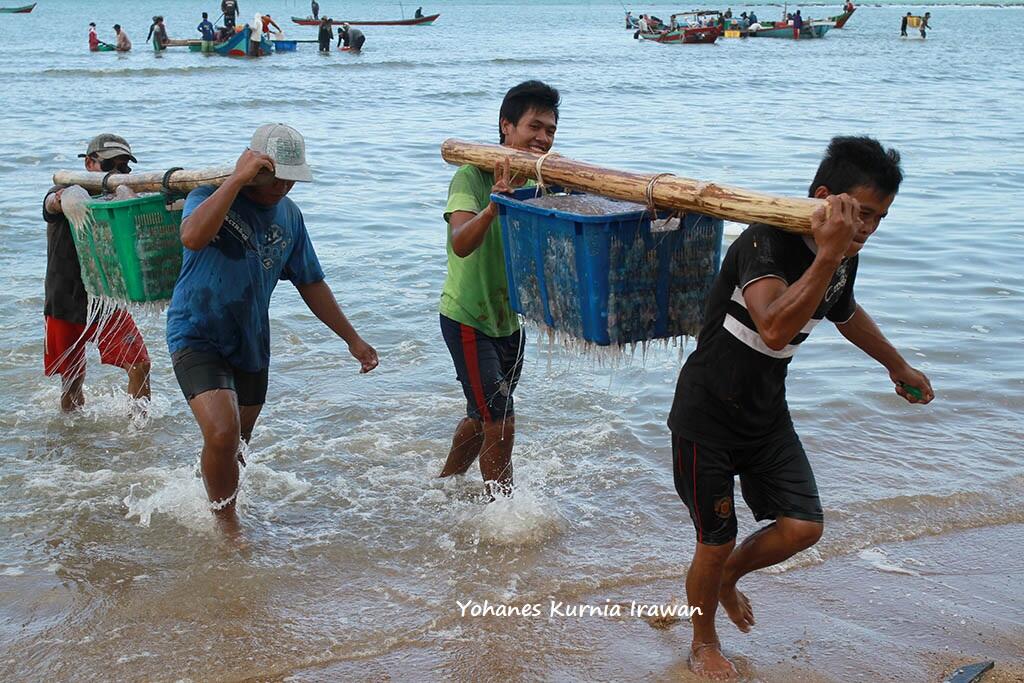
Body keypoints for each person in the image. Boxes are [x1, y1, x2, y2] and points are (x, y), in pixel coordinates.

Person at [668, 136, 933, 679]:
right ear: (823, 197)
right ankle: (702, 642)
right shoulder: (764, 242)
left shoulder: (841, 256)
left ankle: (725, 582)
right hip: (707, 415)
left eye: (879, 218)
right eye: (859, 213)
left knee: (803, 526)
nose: (866, 230)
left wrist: (896, 365)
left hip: (766, 414)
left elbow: (844, 310)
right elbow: (773, 326)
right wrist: (830, 251)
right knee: (714, 540)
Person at [166, 123, 378, 533]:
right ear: (253, 164)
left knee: (235, 444)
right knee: (223, 432)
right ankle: (227, 526)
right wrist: (235, 181)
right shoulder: (208, 196)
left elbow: (311, 282)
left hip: (250, 341)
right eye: (273, 175)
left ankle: (209, 487)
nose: (282, 187)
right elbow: (192, 237)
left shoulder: (291, 217)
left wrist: (353, 340)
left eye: (290, 179)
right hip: (196, 330)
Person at [437, 81, 560, 498]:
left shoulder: (543, 180)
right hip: (467, 317)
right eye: (534, 127)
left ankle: (446, 485)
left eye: (551, 131)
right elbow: (461, 242)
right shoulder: (470, 176)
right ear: (507, 127)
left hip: (510, 319)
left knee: (482, 413)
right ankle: (502, 515)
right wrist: (493, 206)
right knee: (500, 419)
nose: (542, 138)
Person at [43, 135, 151, 413]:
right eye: (109, 165)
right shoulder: (67, 189)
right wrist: (66, 198)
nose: (117, 173)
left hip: (105, 298)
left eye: (123, 167)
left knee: (140, 364)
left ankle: (139, 434)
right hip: (66, 299)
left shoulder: (119, 198)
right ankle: (73, 438)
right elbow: (50, 204)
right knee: (72, 380)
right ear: (90, 163)